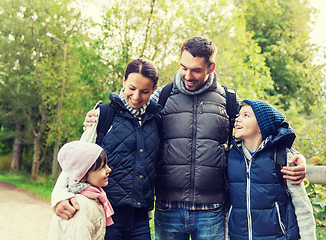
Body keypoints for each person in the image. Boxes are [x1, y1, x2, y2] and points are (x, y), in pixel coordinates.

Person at [82, 36, 307, 240]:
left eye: (196, 70)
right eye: (183, 67)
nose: (188, 76)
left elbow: (260, 130)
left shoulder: (228, 100)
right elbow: (130, 109)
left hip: (211, 211)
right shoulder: (162, 96)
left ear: (211, 67)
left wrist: (294, 156)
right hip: (168, 208)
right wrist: (96, 116)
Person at [51, 58, 161, 240]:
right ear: (124, 81)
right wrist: (59, 197)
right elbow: (75, 164)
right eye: (132, 88)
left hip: (140, 218)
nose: (136, 96)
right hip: (107, 213)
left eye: (145, 91)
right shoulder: (104, 115)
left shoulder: (156, 120)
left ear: (154, 90)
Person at [227, 99, 316, 240]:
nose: (237, 119)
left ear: (262, 125)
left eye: (246, 115)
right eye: (238, 115)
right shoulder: (231, 157)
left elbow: (302, 207)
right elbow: (228, 206)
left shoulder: (282, 157)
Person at [48, 141, 114, 240]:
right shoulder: (80, 205)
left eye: (106, 165)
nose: (109, 170)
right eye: (102, 168)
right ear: (82, 176)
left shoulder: (94, 198)